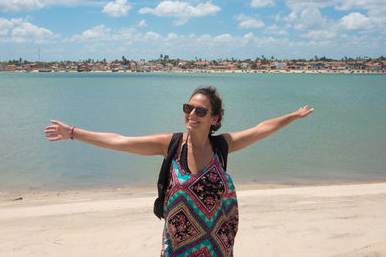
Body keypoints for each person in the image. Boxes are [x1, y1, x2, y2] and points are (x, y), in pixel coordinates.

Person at [44, 86, 314, 256]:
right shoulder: (171, 145)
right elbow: (120, 141)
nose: (192, 114)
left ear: (214, 118)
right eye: (188, 108)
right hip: (178, 247)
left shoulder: (222, 146)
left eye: (200, 110)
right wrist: (73, 134)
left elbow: (261, 129)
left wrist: (292, 116)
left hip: (217, 246)